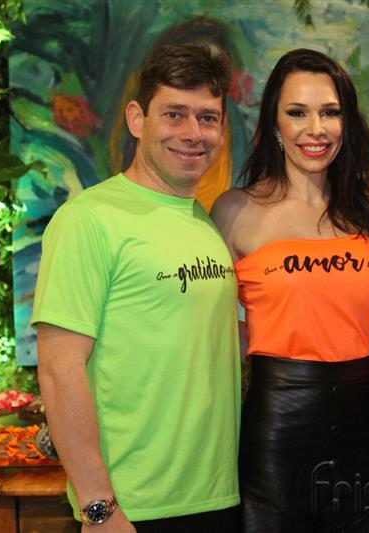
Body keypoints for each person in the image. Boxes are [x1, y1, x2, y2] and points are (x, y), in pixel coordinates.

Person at [33, 43, 241, 532]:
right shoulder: (88, 219)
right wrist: (99, 508)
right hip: (132, 509)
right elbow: (60, 370)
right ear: (136, 119)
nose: (193, 133)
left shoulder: (205, 225)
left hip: (218, 496)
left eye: (208, 118)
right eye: (174, 114)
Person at [210, 48, 369, 532]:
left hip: (363, 423)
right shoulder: (234, 211)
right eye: (297, 112)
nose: (316, 129)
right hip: (277, 426)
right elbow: (212, 332)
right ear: (274, 123)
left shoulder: (366, 216)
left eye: (330, 112)